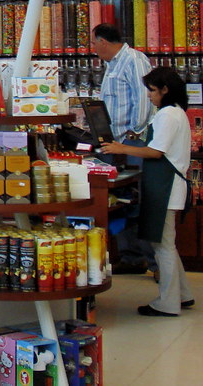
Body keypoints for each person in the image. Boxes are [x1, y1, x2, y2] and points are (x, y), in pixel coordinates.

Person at [101, 66, 195, 316]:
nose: (149, 96)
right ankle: (182, 294)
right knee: (167, 244)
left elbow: (155, 152)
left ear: (165, 90)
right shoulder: (177, 113)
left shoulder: (167, 115)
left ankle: (168, 302)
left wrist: (121, 149)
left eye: (152, 91)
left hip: (166, 188)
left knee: (163, 246)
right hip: (169, 186)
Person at [90, 22, 156, 274]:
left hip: (130, 143)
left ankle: (154, 262)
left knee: (137, 201)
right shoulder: (112, 65)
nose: (94, 49)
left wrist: (132, 134)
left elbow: (143, 100)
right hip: (114, 143)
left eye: (94, 44)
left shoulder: (133, 60)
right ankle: (131, 258)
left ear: (104, 42)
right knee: (120, 200)